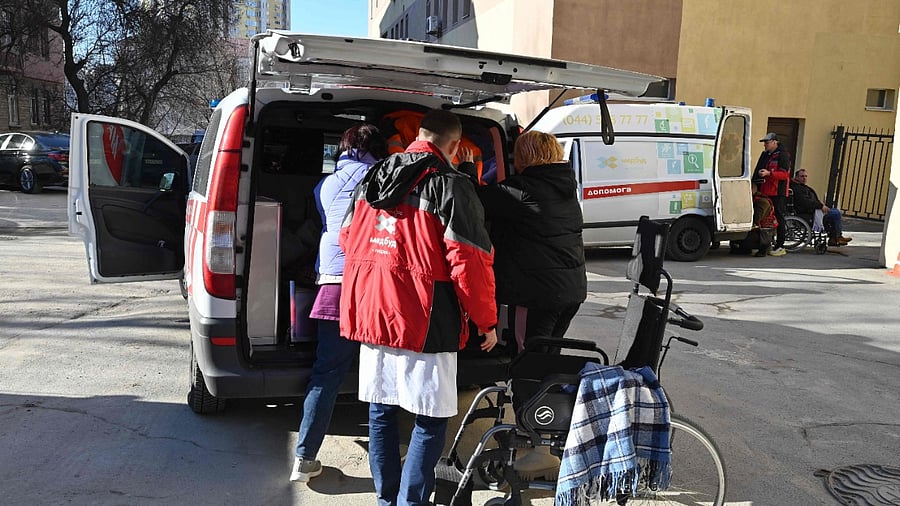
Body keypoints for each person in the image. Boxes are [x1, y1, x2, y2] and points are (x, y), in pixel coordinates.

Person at [339, 109, 499, 506]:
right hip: (425, 317)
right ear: (456, 146)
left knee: (381, 410)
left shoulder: (371, 178)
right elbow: (470, 262)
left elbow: (346, 237)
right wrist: (487, 321)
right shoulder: (451, 185)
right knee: (430, 417)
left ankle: (385, 499)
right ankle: (410, 502)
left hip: (373, 309)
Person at [290, 124, 389, 483]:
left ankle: (303, 458)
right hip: (375, 286)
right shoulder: (385, 177)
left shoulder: (325, 184)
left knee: (327, 373)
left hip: (333, 285)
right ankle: (385, 469)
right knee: (382, 376)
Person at [473, 130, 587, 353]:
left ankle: (527, 388)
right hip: (571, 290)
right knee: (548, 354)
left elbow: (475, 201)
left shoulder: (522, 189)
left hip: (538, 294)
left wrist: (470, 167)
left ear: (524, 156)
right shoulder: (565, 186)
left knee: (527, 356)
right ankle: (543, 386)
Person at [790, 169, 851, 246]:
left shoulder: (802, 187)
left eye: (806, 176)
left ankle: (835, 237)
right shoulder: (797, 188)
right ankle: (836, 237)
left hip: (813, 209)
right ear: (796, 177)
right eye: (802, 176)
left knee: (835, 212)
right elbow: (806, 202)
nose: (804, 178)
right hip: (808, 212)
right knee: (835, 213)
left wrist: (820, 204)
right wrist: (820, 206)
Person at [754, 132, 792, 255]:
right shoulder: (765, 155)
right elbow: (757, 169)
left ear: (775, 142)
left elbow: (784, 175)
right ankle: (764, 244)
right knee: (765, 218)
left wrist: (769, 174)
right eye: (764, 142)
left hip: (778, 192)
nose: (764, 144)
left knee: (779, 217)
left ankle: (780, 245)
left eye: (767, 142)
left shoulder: (783, 155)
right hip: (764, 191)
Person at [731, 178, 781, 256]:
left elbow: (755, 218)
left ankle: (763, 247)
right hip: (759, 231)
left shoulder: (761, 202)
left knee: (737, 237)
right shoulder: (755, 200)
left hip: (763, 233)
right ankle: (746, 248)